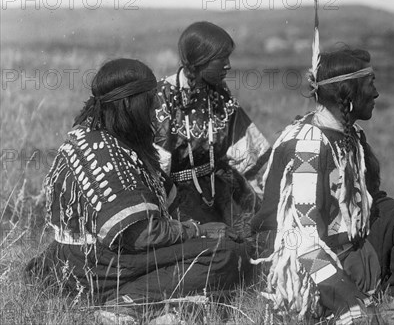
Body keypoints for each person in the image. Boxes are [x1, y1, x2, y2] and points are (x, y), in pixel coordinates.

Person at [251, 2, 394, 324]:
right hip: (306, 264)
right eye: (371, 86)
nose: (377, 94)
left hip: (347, 245)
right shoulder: (308, 147)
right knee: (356, 311)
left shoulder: (350, 135)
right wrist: (347, 300)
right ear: (348, 93)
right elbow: (301, 239)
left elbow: (365, 200)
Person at [25, 59, 248, 324]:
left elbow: (172, 198)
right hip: (99, 266)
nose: (156, 110)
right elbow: (142, 235)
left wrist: (214, 224)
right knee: (224, 255)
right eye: (150, 101)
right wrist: (200, 232)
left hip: (84, 259)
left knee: (226, 244)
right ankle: (126, 303)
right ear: (129, 103)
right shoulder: (106, 153)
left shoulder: (109, 137)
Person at [153, 22, 271, 237]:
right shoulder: (163, 96)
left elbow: (244, 147)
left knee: (253, 238)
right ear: (200, 60)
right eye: (222, 59)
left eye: (228, 58)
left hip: (220, 191)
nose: (228, 65)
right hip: (177, 198)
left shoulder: (218, 92)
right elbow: (157, 166)